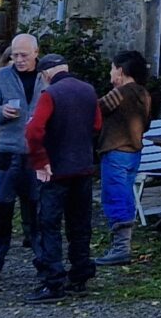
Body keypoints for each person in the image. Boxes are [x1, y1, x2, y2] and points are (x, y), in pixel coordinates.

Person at [21, 52, 102, 303]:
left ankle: (53, 281)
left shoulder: (50, 94)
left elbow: (33, 131)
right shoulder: (88, 91)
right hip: (83, 167)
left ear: (46, 74)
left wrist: (40, 160)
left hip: (55, 170)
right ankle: (79, 275)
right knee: (80, 224)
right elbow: (97, 125)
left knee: (49, 224)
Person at [0, 34, 45, 284]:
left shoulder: (45, 76)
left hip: (36, 154)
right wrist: (0, 112)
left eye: (24, 55)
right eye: (15, 55)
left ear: (36, 53)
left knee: (36, 211)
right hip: (7, 151)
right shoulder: (3, 76)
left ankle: (43, 262)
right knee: (1, 211)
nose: (19, 59)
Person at [91, 50, 154, 267]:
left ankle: (120, 248)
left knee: (115, 196)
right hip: (133, 152)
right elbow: (146, 123)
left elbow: (95, 110)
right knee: (125, 195)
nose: (110, 73)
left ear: (120, 70)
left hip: (116, 151)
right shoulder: (144, 94)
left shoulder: (120, 93)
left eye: (112, 68)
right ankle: (121, 246)